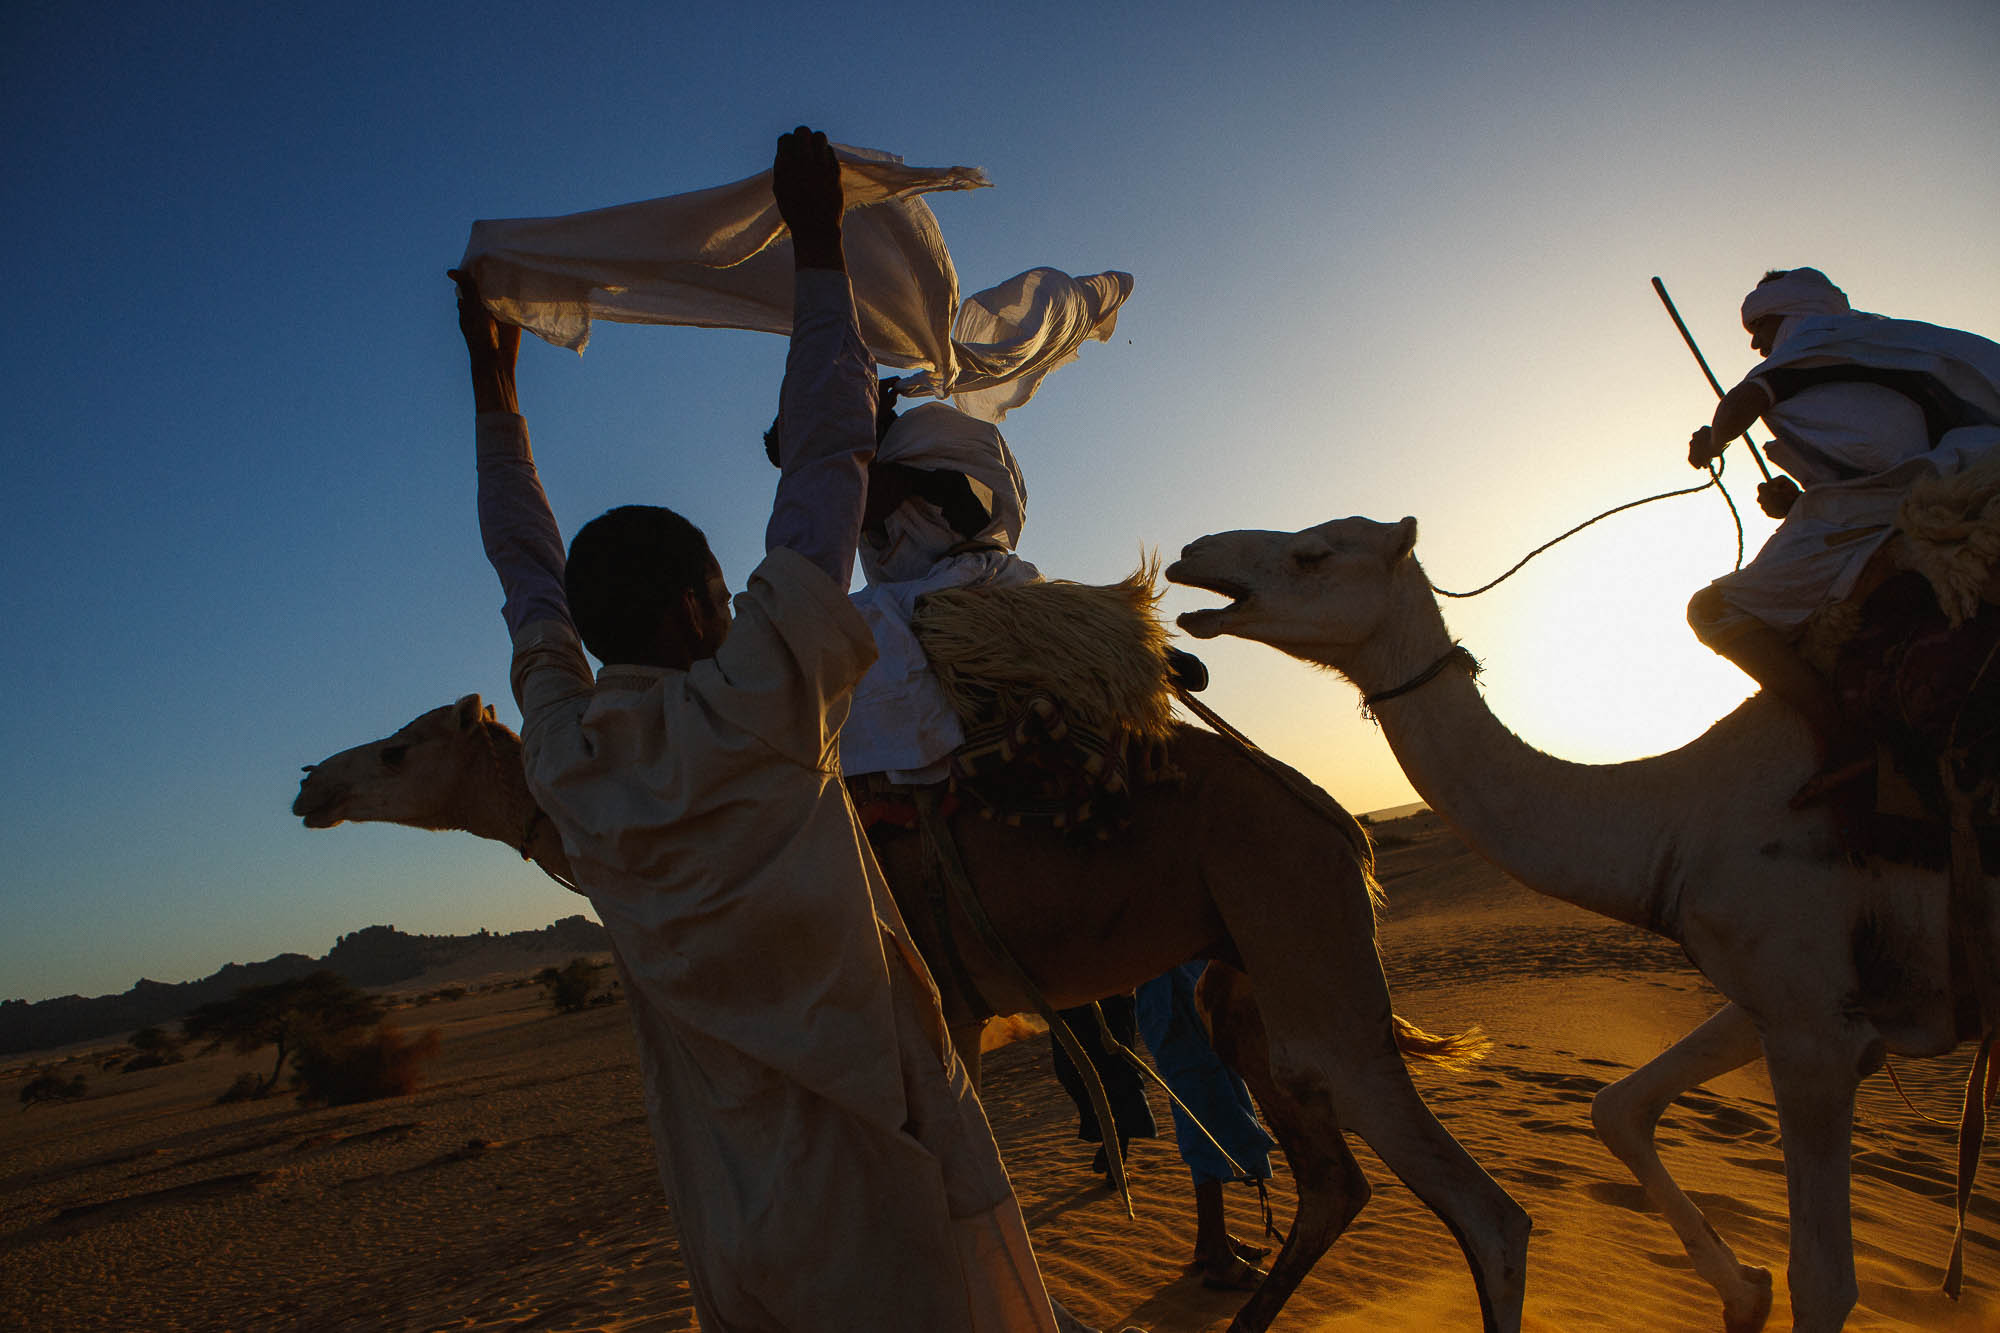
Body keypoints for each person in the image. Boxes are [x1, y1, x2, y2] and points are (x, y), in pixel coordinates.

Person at [458, 125, 1077, 1333]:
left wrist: (493, 391)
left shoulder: (564, 754)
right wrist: (812, 246)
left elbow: (524, 577)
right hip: (886, 1192)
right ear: (705, 604)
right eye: (720, 592)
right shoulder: (764, 693)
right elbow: (831, 455)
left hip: (731, 1220)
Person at [1684, 267, 2000, 795]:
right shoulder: (1879, 348)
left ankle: (1841, 741)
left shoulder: (1809, 344)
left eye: (1759, 329)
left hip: (1893, 506)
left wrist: (1712, 437)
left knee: (1714, 611)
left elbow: (1751, 396)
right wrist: (1800, 500)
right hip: (1918, 488)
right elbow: (1878, 453)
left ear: (1784, 312)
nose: (1759, 346)